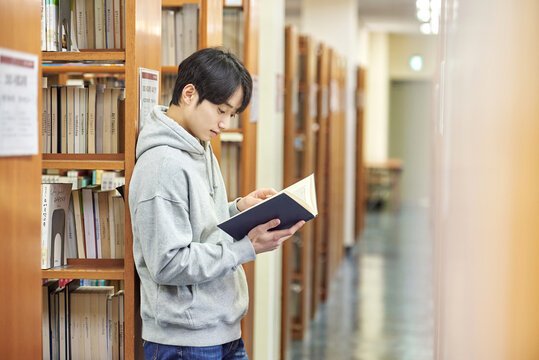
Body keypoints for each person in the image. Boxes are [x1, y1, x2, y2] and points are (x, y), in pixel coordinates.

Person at [129, 47, 305, 360]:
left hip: (220, 328)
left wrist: (237, 208)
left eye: (232, 114)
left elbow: (198, 226)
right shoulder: (161, 165)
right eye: (221, 110)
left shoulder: (199, 144)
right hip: (186, 340)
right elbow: (169, 262)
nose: (225, 123)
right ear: (189, 94)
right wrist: (245, 248)